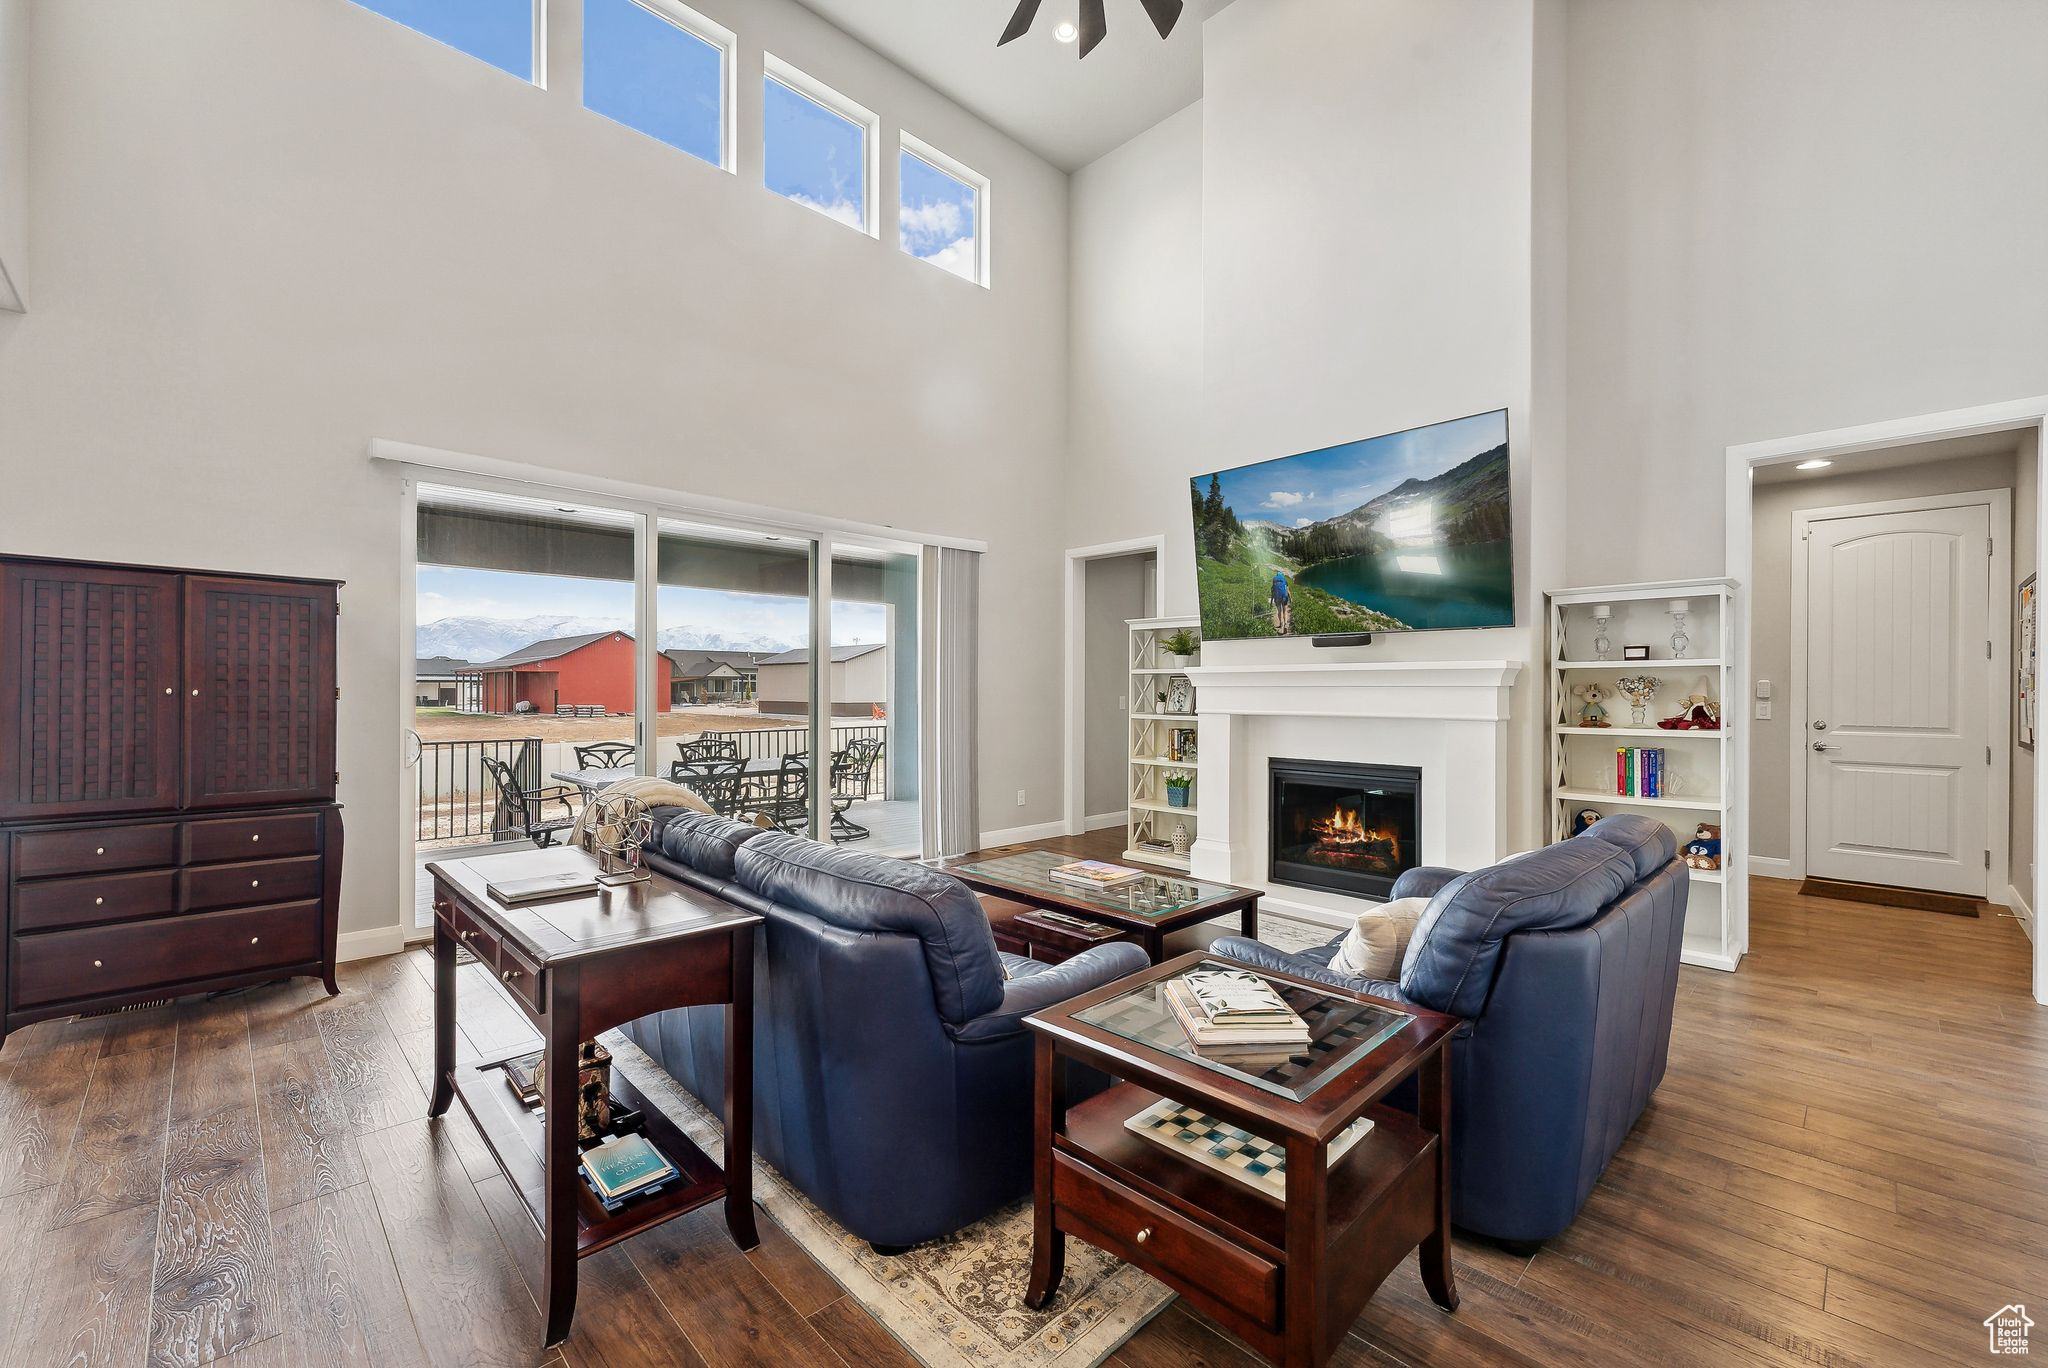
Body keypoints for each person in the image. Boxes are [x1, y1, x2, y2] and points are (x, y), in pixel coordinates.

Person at [1271, 570, 1293, 635]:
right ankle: (1286, 624)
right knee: (1285, 611)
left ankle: (1281, 623)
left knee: (1279, 611)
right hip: (1284, 597)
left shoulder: (1274, 580)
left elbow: (1272, 591)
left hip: (1277, 597)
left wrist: (1271, 601)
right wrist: (1291, 598)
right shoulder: (1284, 580)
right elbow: (1288, 590)